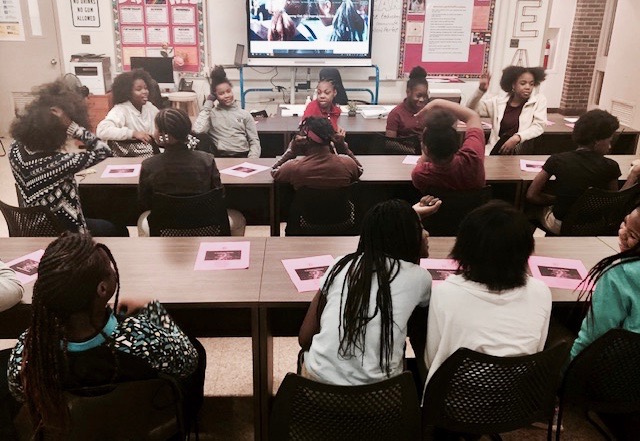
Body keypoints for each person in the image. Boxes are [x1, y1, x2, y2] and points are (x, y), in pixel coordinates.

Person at [6, 233, 204, 438]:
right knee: (196, 347)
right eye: (109, 268)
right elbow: (188, 361)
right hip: (139, 427)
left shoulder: (29, 350)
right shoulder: (140, 336)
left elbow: (19, 393)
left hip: (71, 433)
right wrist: (151, 309)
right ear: (102, 288)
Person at [299, 199, 432, 385]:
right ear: (407, 236)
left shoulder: (341, 265)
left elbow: (305, 338)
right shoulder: (420, 277)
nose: (427, 234)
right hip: (380, 396)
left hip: (318, 391)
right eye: (421, 228)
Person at [424, 201, 552, 389]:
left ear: (464, 247)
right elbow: (537, 350)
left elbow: (431, 360)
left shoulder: (445, 292)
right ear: (526, 249)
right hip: (517, 399)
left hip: (452, 400)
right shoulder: (541, 291)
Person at [9, 80, 127, 237]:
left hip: (35, 228)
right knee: (118, 228)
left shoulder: (14, 150)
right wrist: (72, 126)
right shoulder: (60, 163)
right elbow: (104, 151)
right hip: (68, 235)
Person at [526, 109, 639, 234]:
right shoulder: (611, 166)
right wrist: (633, 174)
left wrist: (557, 199)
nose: (610, 146)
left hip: (561, 226)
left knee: (532, 210)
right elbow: (614, 202)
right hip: (594, 226)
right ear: (597, 141)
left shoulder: (556, 160)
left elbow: (532, 195)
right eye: (609, 141)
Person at [138, 108, 246, 236]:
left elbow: (145, 202)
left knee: (142, 218)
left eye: (155, 128)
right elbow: (219, 195)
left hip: (166, 230)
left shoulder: (149, 165)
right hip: (206, 228)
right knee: (238, 218)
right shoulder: (207, 160)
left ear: (162, 133)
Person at [571, 203, 640, 360]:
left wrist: (566, 371)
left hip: (617, 368)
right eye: (625, 223)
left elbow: (593, 339)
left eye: (633, 236)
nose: (622, 233)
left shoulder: (619, 275)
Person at [467, 66, 548, 155]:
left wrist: (517, 137)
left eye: (531, 84)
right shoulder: (498, 102)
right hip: (495, 151)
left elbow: (539, 126)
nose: (528, 87)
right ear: (513, 85)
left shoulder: (538, 101)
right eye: (523, 83)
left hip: (520, 153)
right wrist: (481, 90)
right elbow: (470, 110)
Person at [411, 99, 485, 193]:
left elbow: (422, 163)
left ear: (426, 149)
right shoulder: (473, 159)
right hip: (475, 203)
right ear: (457, 144)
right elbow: (472, 116)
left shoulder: (420, 175)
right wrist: (436, 103)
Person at [271, 116, 362, 189]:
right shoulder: (347, 164)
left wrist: (292, 151)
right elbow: (359, 169)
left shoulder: (293, 167)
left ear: (306, 140)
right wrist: (342, 147)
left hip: (305, 208)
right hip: (340, 208)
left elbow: (274, 171)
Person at [193, 66, 261, 158]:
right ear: (215, 96)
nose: (226, 96)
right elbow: (198, 130)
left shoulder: (245, 114)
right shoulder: (211, 114)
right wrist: (208, 103)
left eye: (228, 91)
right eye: (221, 93)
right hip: (221, 157)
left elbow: (254, 141)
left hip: (243, 156)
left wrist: (252, 159)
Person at [97, 69, 159, 157]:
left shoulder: (149, 107)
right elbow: (102, 130)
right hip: (130, 158)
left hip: (153, 154)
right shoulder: (121, 110)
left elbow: (162, 123)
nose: (145, 92)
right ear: (128, 92)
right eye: (139, 89)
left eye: (146, 88)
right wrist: (133, 133)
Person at [386, 66, 429, 139]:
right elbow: (390, 142)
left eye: (424, 96)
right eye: (418, 96)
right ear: (408, 92)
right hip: (404, 146)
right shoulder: (396, 114)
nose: (421, 99)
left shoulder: (428, 111)